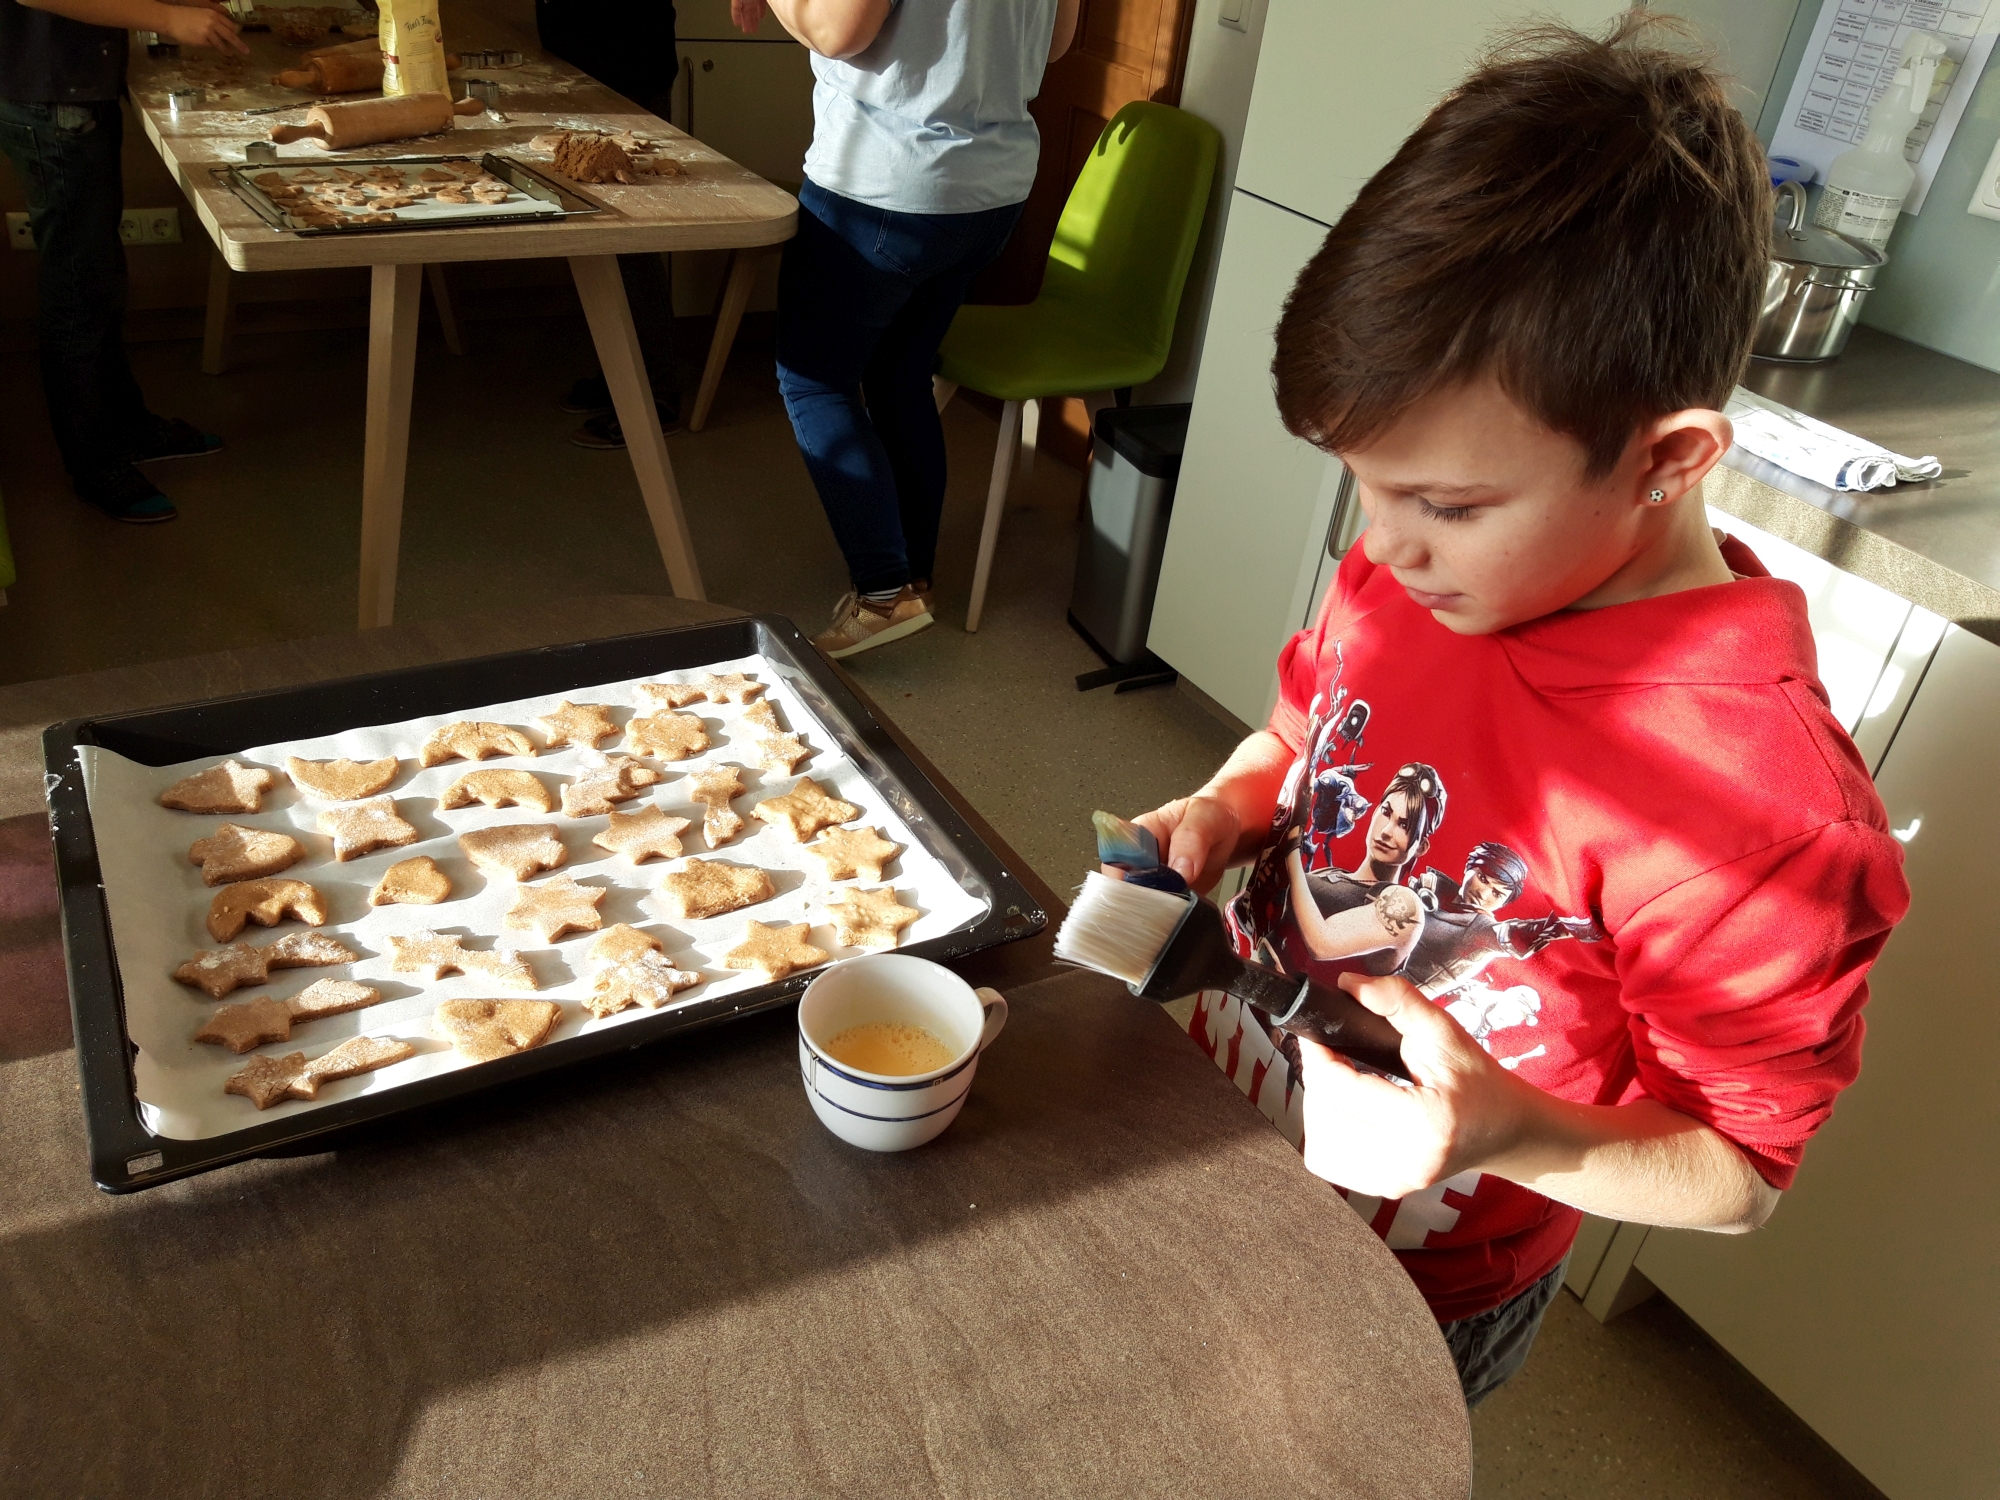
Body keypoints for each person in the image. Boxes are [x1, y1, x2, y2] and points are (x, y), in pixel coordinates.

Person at [1121, 17, 1910, 1408]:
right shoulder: (1421, 574)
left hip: (1412, 1277)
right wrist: (1227, 808)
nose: (1382, 544)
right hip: (1213, 1123)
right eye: (1366, 485)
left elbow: (1737, 1172)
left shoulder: (1761, 818)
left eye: (1444, 502)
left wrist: (1502, 1133)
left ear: (1668, 459)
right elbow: (1301, 737)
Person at [732, 0, 1081, 658]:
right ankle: (913, 579)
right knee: (901, 379)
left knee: (815, 381)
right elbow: (1055, 42)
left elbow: (837, 31)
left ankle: (884, 592)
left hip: (887, 186)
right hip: (990, 193)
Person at [1, 0, 241, 523]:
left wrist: (169, 6)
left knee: (98, 277)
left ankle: (126, 426)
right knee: (78, 288)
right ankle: (92, 463)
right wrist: (167, 19)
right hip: (50, 97)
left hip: (70, 91)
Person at [534, 0, 682, 450]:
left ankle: (656, 394)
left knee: (629, 242)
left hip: (628, 65)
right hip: (581, 60)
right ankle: (622, 372)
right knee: (598, 236)